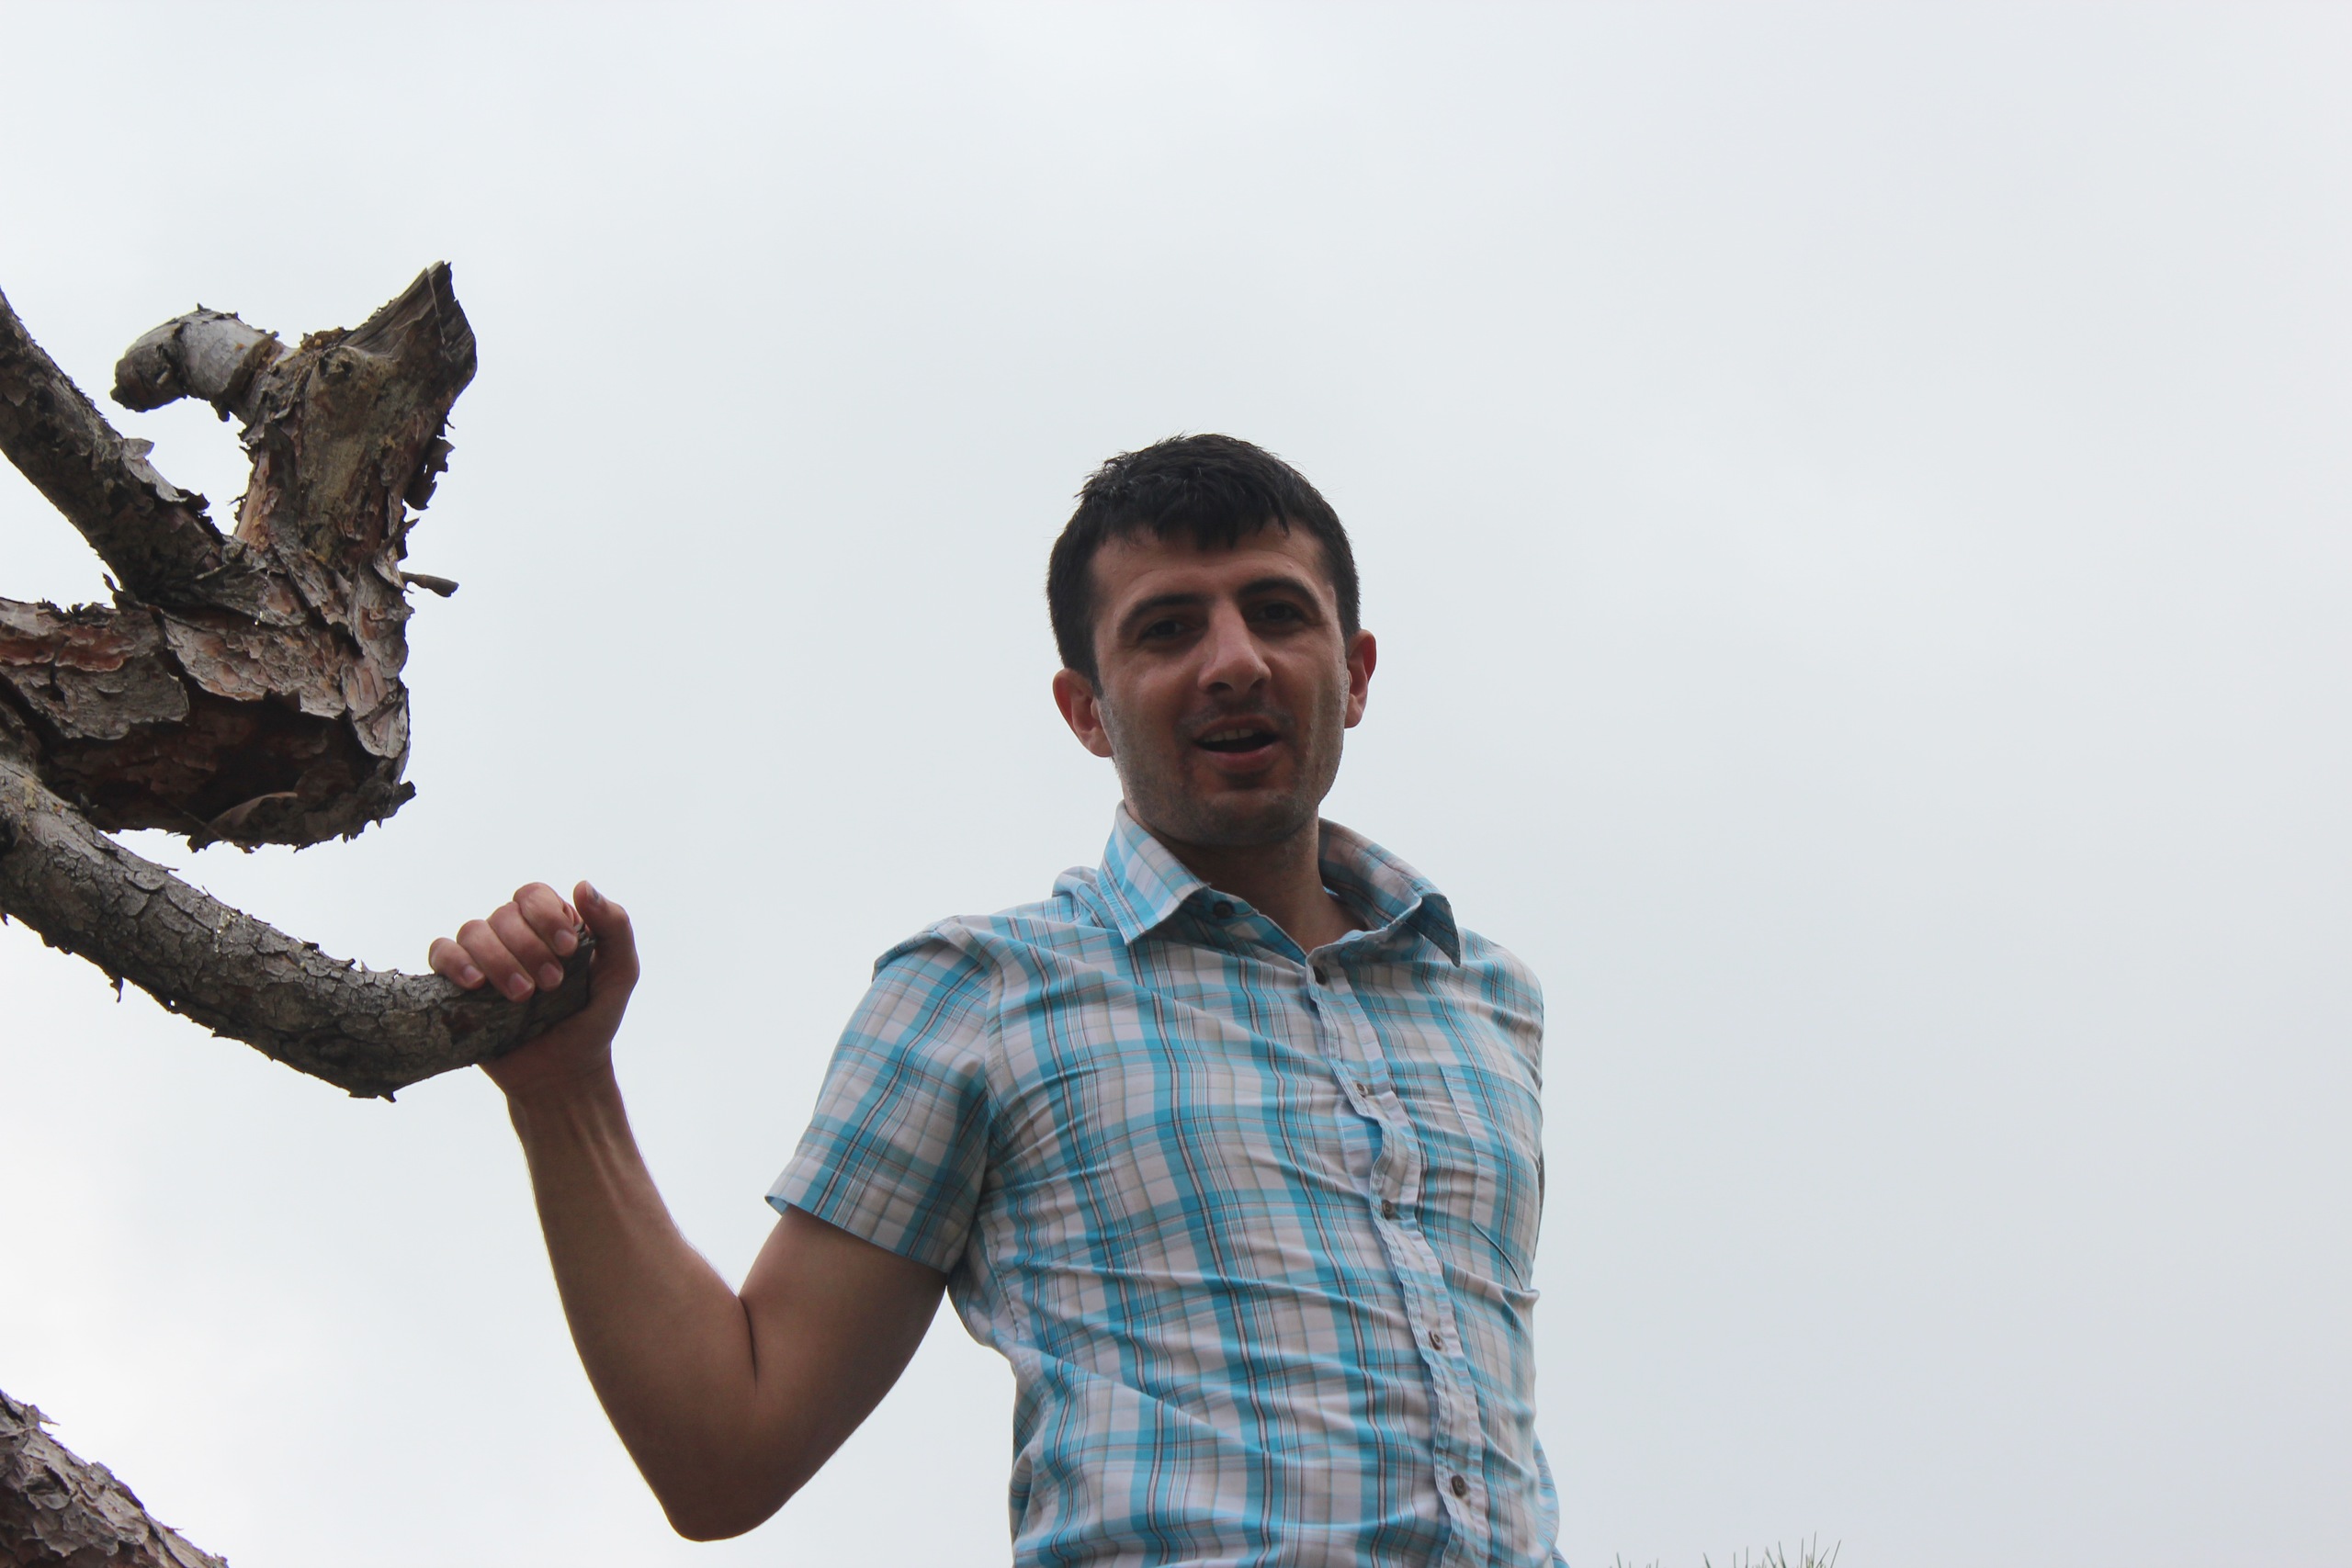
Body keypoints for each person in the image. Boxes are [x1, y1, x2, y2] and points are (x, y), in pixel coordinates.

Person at [430, 434, 1562, 1566]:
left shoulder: (1485, 998)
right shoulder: (980, 992)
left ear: (1354, 672)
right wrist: (565, 1093)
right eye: (1166, 629)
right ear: (1086, 711)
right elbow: (727, 1450)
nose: (1234, 662)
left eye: (1276, 613)